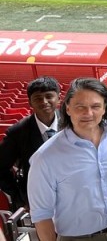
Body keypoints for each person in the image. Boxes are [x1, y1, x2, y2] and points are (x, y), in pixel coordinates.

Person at [28, 78, 107, 240]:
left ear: (105, 108)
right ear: (67, 108)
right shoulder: (45, 157)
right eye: (80, 107)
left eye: (95, 106)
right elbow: (42, 215)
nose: (88, 114)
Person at [0, 76, 60, 210]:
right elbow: (1, 168)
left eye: (49, 96)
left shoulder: (73, 124)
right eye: (38, 98)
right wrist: (20, 198)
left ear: (59, 98)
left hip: (74, 195)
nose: (44, 102)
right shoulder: (18, 132)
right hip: (38, 201)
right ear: (30, 103)